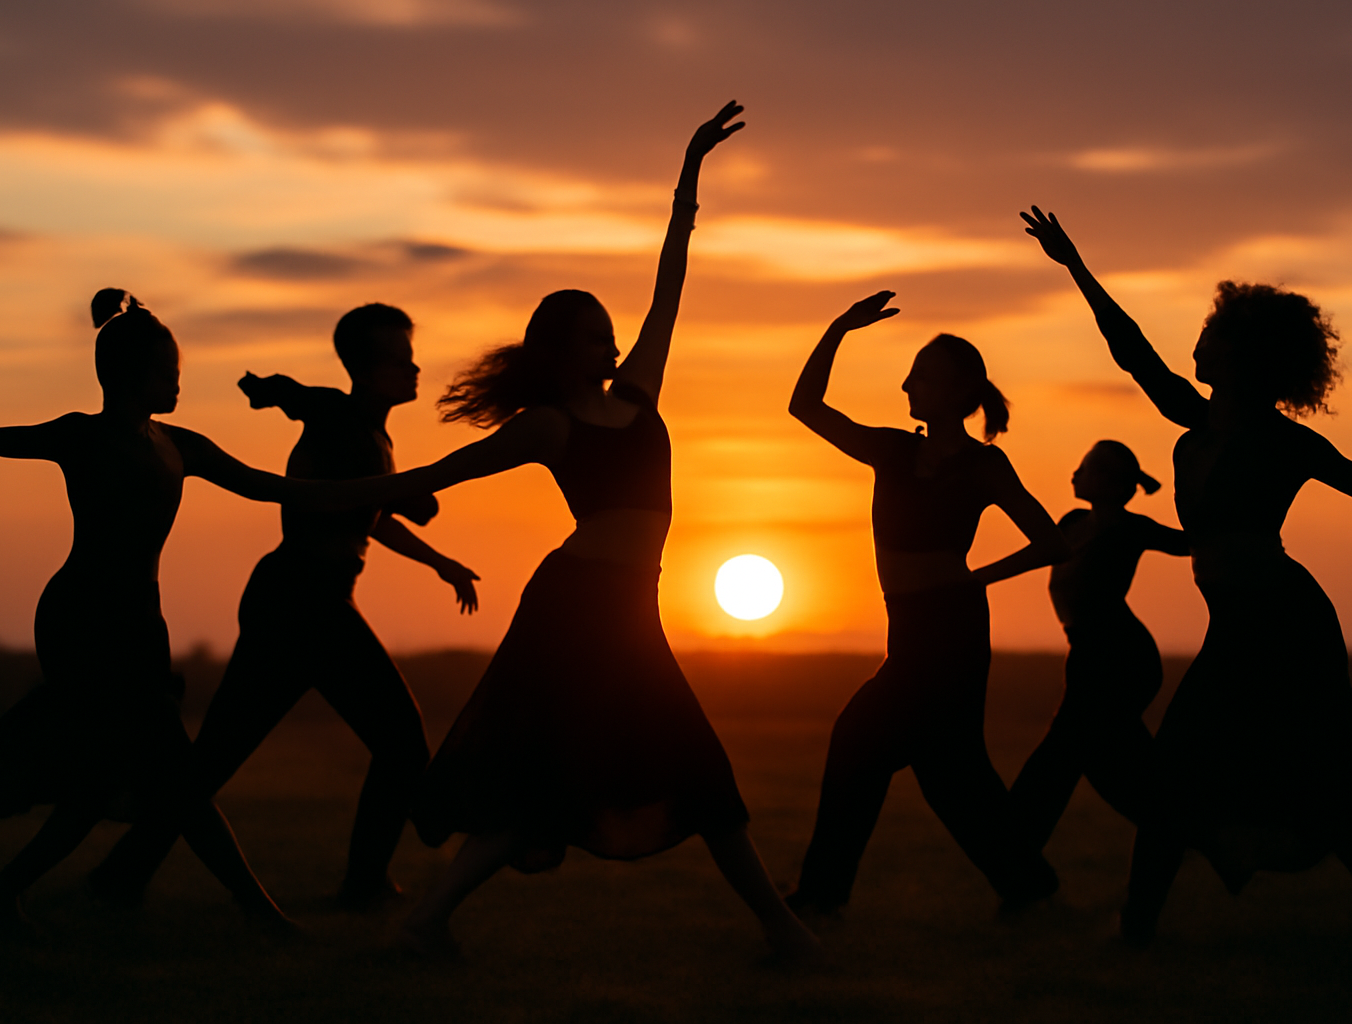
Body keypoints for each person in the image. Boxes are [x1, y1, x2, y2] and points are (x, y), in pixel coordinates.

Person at [284, 102, 820, 960]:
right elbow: (433, 478)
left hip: (626, 610)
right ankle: (785, 934)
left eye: (614, 331)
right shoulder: (549, 425)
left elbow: (671, 279)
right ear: (566, 347)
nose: (614, 341)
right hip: (578, 610)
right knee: (692, 769)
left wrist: (690, 171)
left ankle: (426, 922)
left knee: (570, 783)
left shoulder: (638, 397)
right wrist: (321, 493)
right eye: (597, 334)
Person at [1022, 205, 1352, 949]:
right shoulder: (1194, 422)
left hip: (1287, 627)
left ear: (1242, 353)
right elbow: (1130, 350)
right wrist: (1073, 265)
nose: (1198, 341)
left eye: (1212, 332)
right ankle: (1143, 929)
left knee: (1297, 776)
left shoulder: (1285, 443)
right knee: (1202, 776)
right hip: (1235, 627)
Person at [87, 304, 479, 911]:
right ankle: (366, 883)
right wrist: (276, 392)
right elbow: (311, 403)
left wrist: (437, 560)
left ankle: (120, 875)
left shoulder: (374, 434)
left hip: (306, 601)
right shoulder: (337, 413)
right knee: (399, 739)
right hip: (303, 602)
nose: (414, 368)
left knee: (217, 756)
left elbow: (366, 513)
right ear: (366, 369)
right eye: (400, 359)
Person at [0, 291, 304, 934]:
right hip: (82, 620)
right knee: (176, 772)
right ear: (131, 373)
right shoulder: (81, 436)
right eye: (168, 370)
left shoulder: (181, 445)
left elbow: (276, 488)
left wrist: (398, 488)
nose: (177, 380)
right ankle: (259, 911)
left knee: (97, 777)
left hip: (141, 622)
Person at [782, 290, 1070, 918]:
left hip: (951, 630)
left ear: (951, 390)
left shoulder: (984, 465)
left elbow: (1051, 542)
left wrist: (976, 580)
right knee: (952, 777)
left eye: (920, 373)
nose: (906, 381)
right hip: (911, 628)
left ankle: (822, 897)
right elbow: (804, 406)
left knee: (859, 739)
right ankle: (1029, 885)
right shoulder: (892, 449)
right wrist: (837, 328)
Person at [1010, 441, 1188, 851]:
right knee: (1105, 756)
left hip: (1121, 658)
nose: (1074, 474)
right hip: (1089, 654)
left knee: (1066, 752)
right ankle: (1191, 828)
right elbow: (1036, 553)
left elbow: (1191, 542)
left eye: (1085, 468)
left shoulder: (1132, 529)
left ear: (1109, 482)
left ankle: (1014, 849)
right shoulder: (1071, 522)